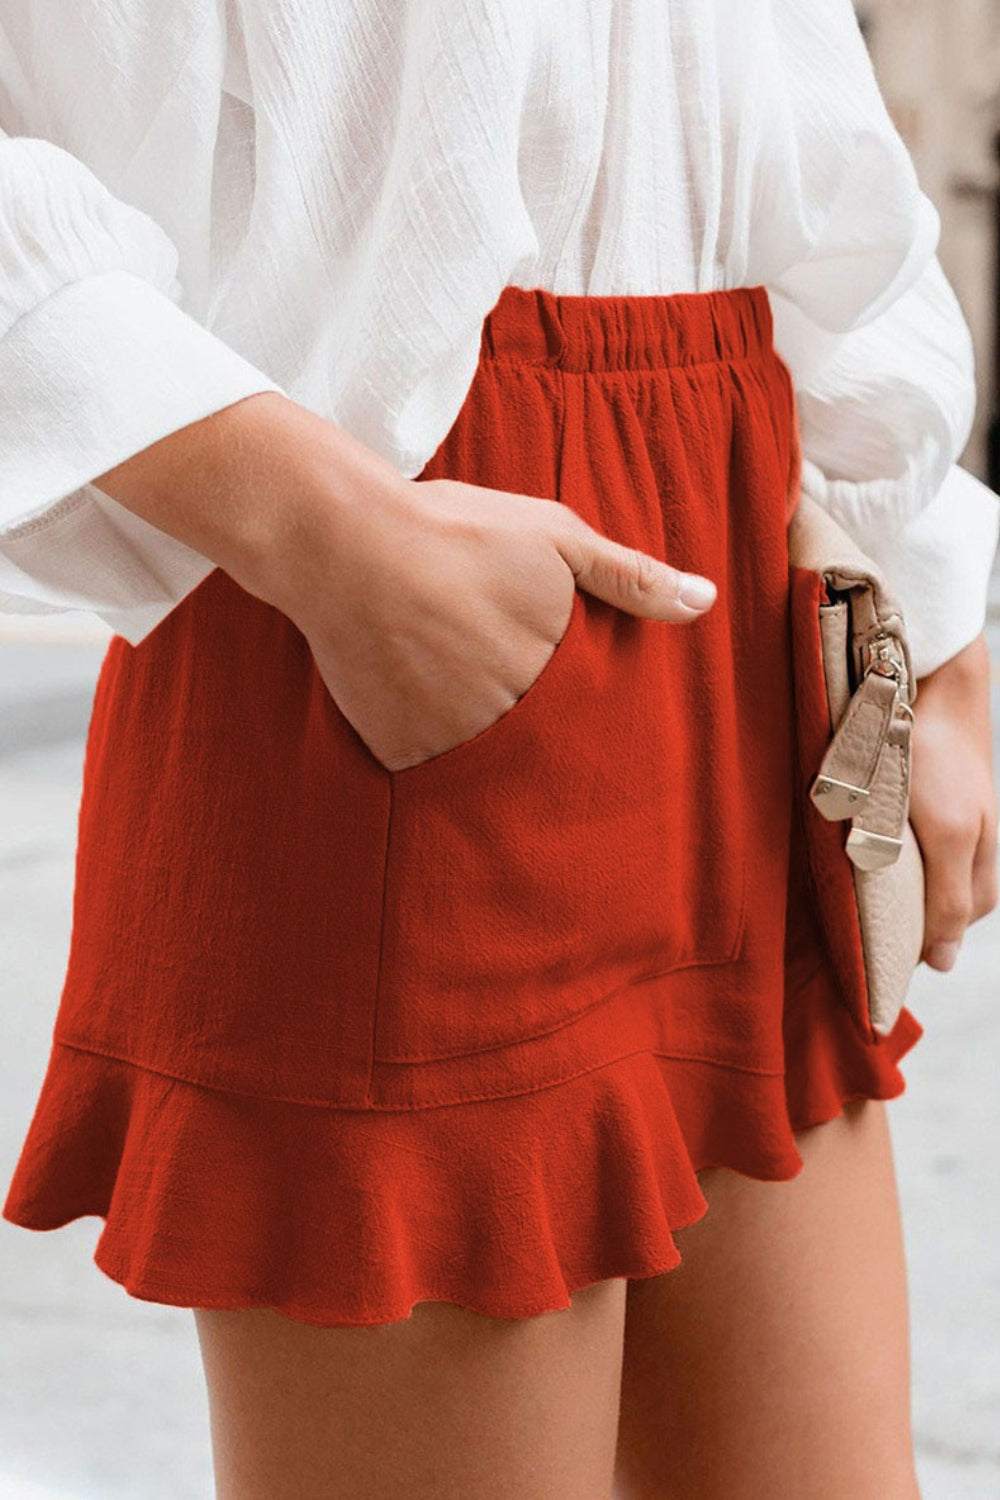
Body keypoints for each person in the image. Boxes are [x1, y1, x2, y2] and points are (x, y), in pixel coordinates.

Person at [1, 2, 997, 1496]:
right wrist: (332, 533)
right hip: (391, 601)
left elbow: (805, 115)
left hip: (742, 602)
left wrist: (941, 628)